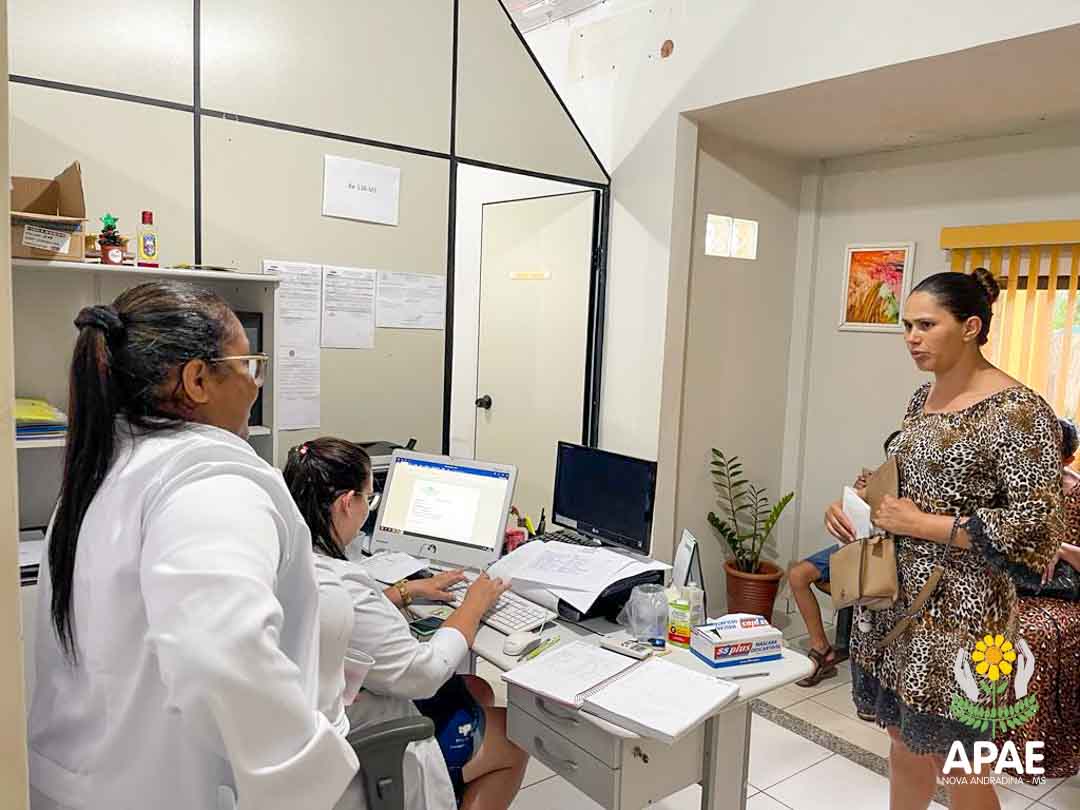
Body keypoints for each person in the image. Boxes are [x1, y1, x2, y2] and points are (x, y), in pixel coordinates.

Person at [27, 282, 358, 810]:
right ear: (197, 380)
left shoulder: (103, 475)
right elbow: (219, 648)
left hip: (83, 785)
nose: (255, 385)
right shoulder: (210, 482)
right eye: (247, 365)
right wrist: (307, 771)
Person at [824, 268, 1062, 810]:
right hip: (898, 603)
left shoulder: (1019, 412)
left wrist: (926, 525)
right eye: (907, 326)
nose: (912, 337)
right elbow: (906, 478)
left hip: (965, 618)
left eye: (926, 325)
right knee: (903, 744)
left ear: (971, 327)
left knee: (961, 765)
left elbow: (1039, 527)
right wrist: (854, 505)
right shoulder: (921, 398)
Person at [283, 438, 529, 810]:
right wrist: (473, 606)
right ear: (347, 503)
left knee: (476, 687)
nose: (367, 509)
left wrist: (405, 591)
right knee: (514, 735)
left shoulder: (291, 558)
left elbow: (341, 619)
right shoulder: (343, 587)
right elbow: (424, 674)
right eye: (368, 499)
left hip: (318, 715)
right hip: (363, 738)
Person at [791, 432, 899, 689]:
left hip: (883, 551)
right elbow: (855, 517)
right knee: (797, 575)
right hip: (857, 542)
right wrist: (859, 493)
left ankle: (873, 667)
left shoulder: (920, 488)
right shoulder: (882, 477)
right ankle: (822, 649)